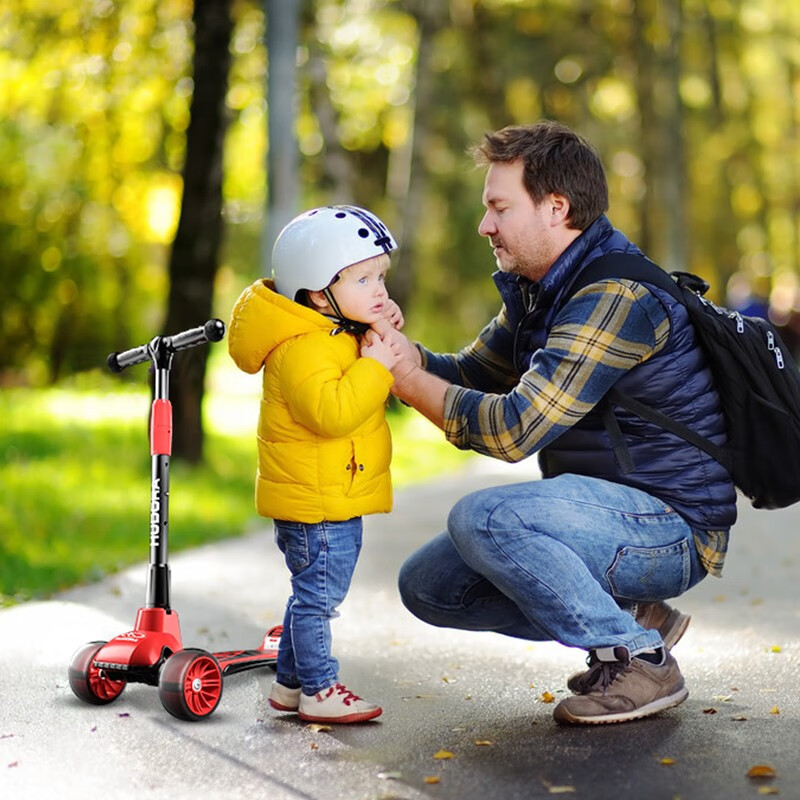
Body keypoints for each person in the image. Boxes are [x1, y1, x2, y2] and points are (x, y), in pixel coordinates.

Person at [370, 121, 736, 726]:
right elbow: (469, 373)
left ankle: (642, 661)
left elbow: (515, 431)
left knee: (485, 517)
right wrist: (401, 355)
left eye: (498, 207)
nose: (485, 225)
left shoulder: (616, 296)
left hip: (670, 527)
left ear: (556, 208)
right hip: (605, 518)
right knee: (429, 585)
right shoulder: (543, 290)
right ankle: (637, 619)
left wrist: (412, 385)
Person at [228, 205, 403, 724]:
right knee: (317, 601)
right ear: (316, 291)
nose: (379, 289)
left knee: (310, 592)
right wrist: (374, 368)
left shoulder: (331, 334)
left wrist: (382, 333)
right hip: (316, 504)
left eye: (381, 278)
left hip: (328, 494)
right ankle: (320, 689)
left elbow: (357, 366)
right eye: (363, 278)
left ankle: (289, 685)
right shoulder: (304, 349)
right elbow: (333, 413)